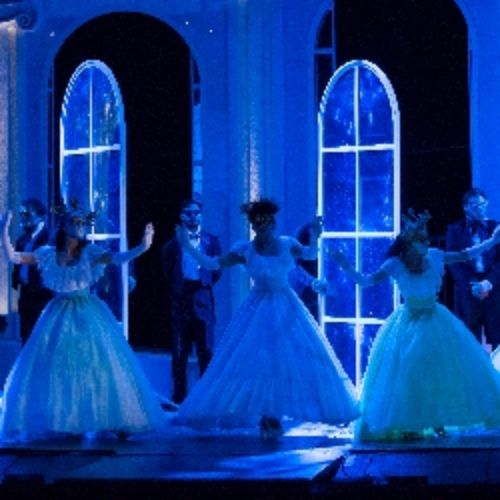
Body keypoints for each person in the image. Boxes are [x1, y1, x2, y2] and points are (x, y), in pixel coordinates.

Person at [175, 199, 358, 434]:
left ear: (272, 223)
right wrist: (188, 247)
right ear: (253, 225)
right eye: (256, 223)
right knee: (259, 358)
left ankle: (275, 414)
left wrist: (315, 235)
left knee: (288, 356)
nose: (260, 227)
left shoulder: (287, 244)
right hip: (257, 308)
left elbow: (310, 254)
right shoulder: (245, 250)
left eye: (265, 222)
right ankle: (266, 413)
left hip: (285, 304)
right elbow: (212, 264)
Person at [0, 202, 164, 441]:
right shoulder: (48, 254)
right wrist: (4, 230)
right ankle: (64, 420)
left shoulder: (91, 253)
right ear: (64, 225)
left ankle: (113, 418)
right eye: (74, 221)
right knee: (57, 366)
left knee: (98, 363)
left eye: (82, 222)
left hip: (87, 311)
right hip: (58, 313)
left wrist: (143, 246)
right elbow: (14, 257)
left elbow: (118, 258)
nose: (79, 226)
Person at [333, 209, 500, 442]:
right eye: (420, 241)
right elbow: (366, 281)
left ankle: (438, 417)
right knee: (409, 370)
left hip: (435, 319)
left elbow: (464, 255)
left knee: (439, 369)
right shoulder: (395, 264)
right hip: (409, 321)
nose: (425, 244)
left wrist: (491, 241)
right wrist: (345, 266)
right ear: (409, 244)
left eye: (425, 240)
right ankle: (411, 421)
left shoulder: (434, 257)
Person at [161, 199, 222, 405]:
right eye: (188, 213)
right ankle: (179, 398)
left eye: (196, 212)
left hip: (203, 297)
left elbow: (217, 270)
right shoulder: (171, 245)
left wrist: (204, 284)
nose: (193, 217)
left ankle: (206, 399)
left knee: (206, 349)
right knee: (180, 351)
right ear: (181, 216)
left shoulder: (211, 241)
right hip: (181, 299)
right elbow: (168, 274)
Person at [446, 188, 500, 350]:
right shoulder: (455, 230)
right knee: (469, 339)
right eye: (474, 205)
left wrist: (488, 283)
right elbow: (453, 262)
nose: (479, 208)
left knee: (497, 336)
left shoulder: (495, 227)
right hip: (468, 290)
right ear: (465, 207)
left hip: (493, 289)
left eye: (482, 204)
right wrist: (472, 285)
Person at [12, 199, 52, 345]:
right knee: (26, 336)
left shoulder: (49, 238)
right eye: (21, 214)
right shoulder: (22, 240)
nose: (23, 217)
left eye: (27, 213)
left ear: (40, 216)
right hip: (26, 295)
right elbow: (16, 264)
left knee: (41, 339)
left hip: (43, 296)